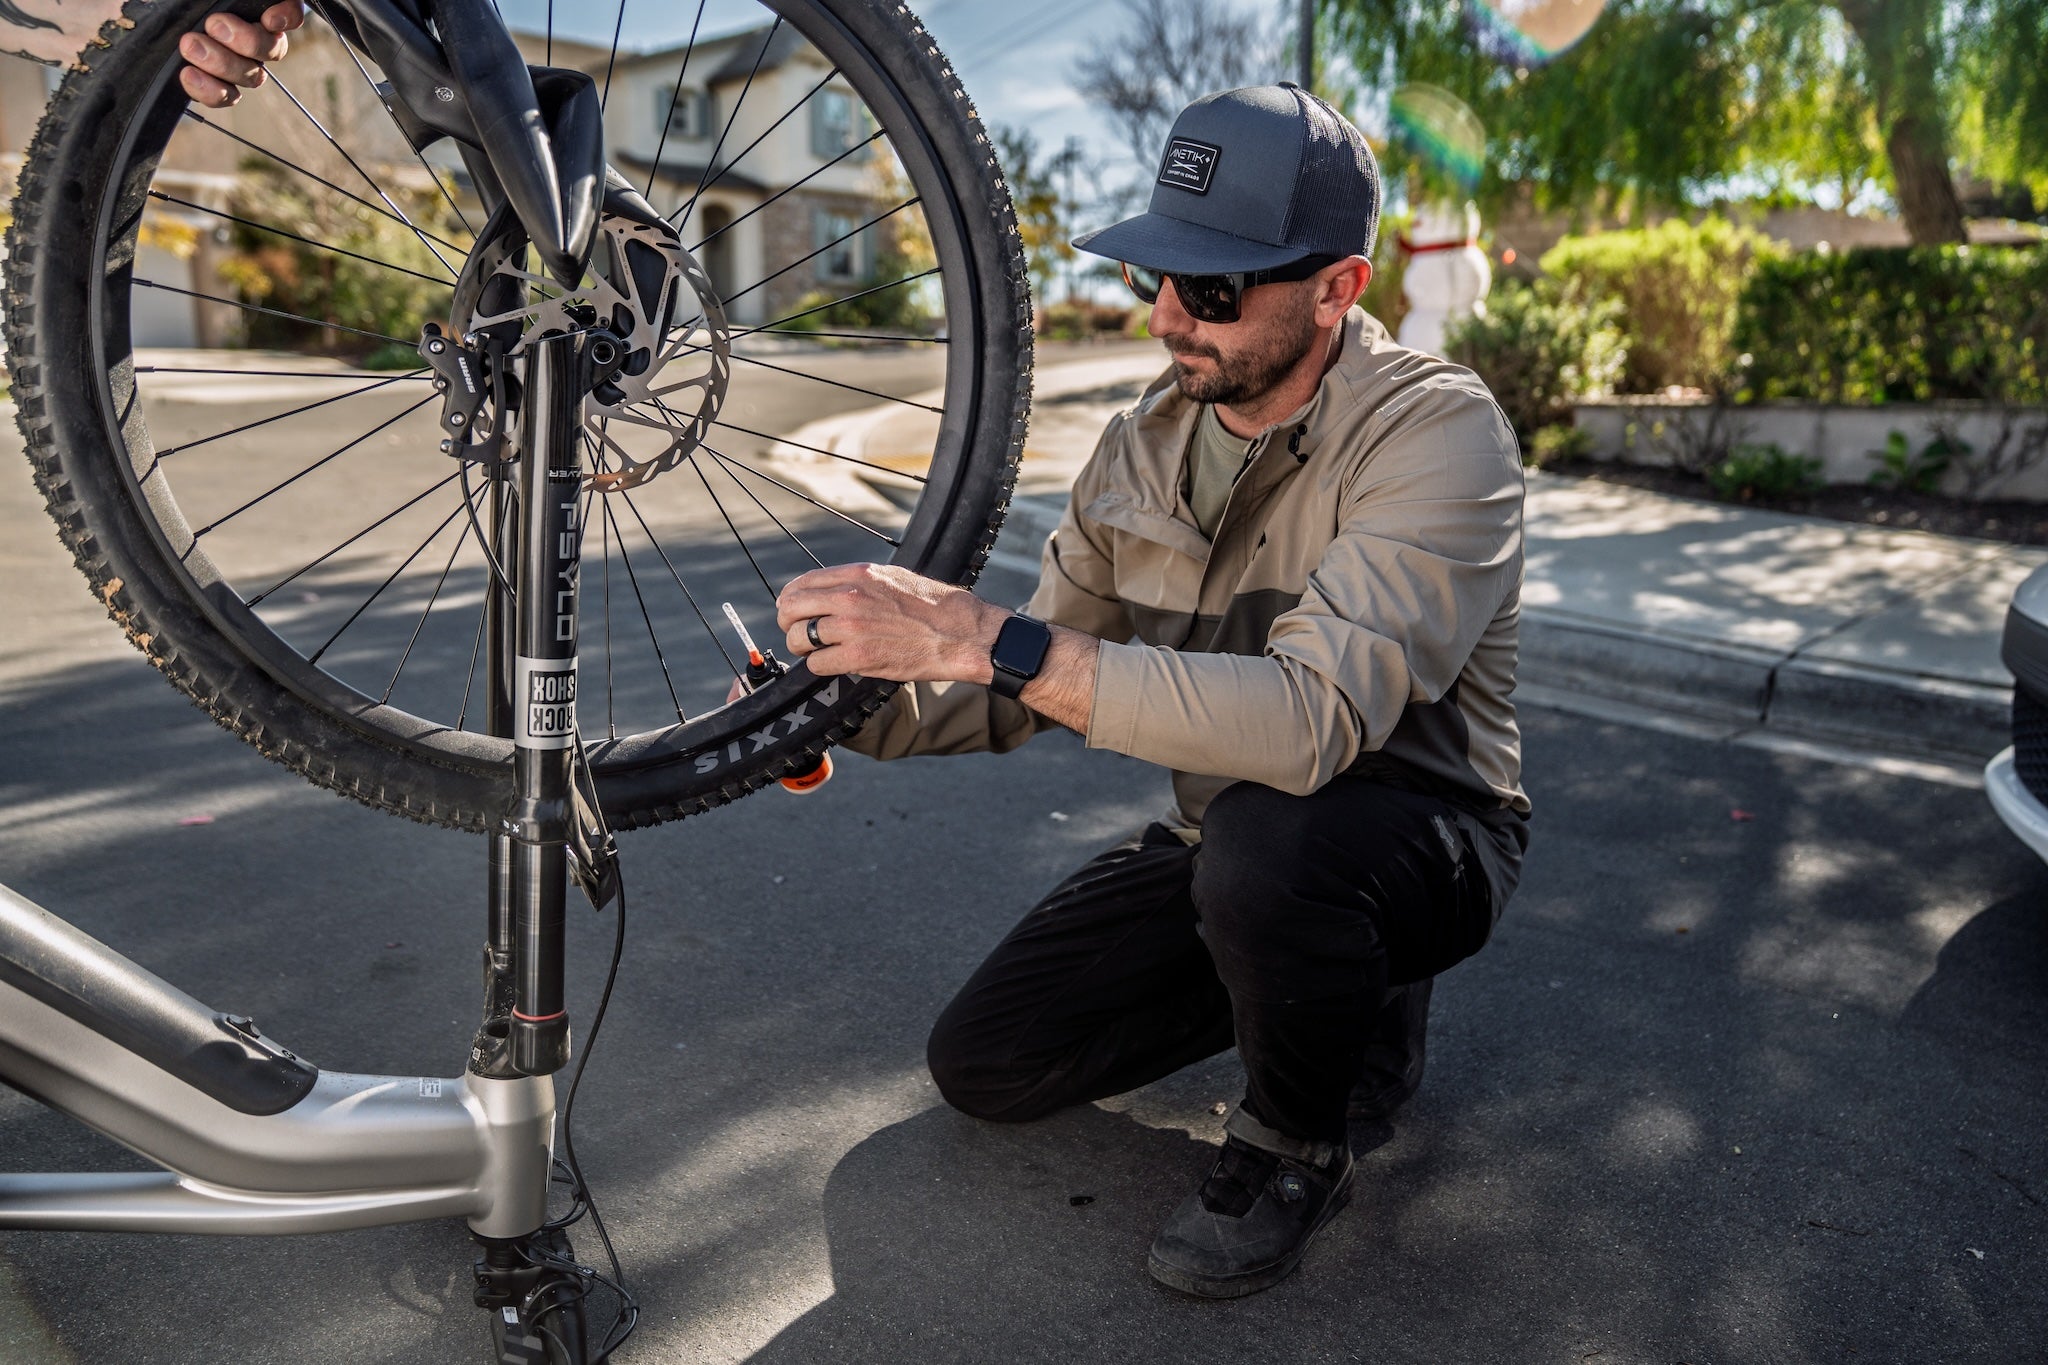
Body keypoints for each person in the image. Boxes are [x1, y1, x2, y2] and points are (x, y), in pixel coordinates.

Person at [773, 83, 1530, 1298]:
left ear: (1337, 287)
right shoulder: (1139, 444)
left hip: (1422, 826)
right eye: (1155, 276)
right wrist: (838, 695)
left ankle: (1296, 1134)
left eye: (1214, 287)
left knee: (1276, 849)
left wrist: (983, 637)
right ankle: (1308, 983)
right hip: (1229, 829)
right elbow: (1015, 680)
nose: (1169, 316)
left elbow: (1303, 724)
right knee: (989, 1063)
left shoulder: (1436, 432)